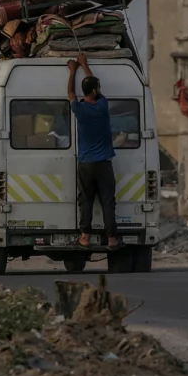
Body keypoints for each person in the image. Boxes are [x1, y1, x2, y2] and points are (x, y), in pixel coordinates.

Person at [67, 53, 119, 248]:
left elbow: (71, 93)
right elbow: (96, 87)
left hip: (86, 164)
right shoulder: (102, 107)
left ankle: (85, 237)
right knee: (107, 201)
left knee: (86, 200)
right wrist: (85, 65)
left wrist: (72, 71)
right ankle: (112, 238)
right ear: (96, 90)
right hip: (104, 163)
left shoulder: (80, 110)